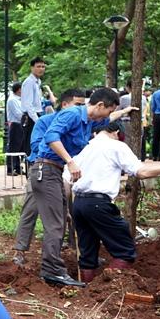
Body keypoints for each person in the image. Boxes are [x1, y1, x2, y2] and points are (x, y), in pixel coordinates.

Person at [67, 121, 160, 283]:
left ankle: (87, 289)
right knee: (125, 251)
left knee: (88, 254)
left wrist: (67, 210)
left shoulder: (84, 150)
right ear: (115, 131)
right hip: (98, 204)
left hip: (78, 204)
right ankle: (102, 286)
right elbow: (141, 172)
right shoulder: (116, 146)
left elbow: (66, 180)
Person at [30, 87, 122, 287]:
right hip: (45, 170)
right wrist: (70, 162)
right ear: (99, 105)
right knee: (55, 225)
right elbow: (51, 137)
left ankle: (52, 268)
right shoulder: (72, 114)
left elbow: (111, 116)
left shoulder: (90, 121)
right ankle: (52, 271)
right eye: (107, 111)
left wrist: (127, 109)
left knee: (61, 222)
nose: (106, 119)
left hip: (54, 172)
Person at [12, 89, 84, 266]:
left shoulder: (79, 123)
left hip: (65, 170)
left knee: (65, 209)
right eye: (78, 105)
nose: (81, 109)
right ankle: (20, 251)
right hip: (42, 169)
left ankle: (71, 248)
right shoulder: (45, 121)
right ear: (65, 104)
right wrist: (61, 154)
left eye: (83, 105)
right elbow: (37, 146)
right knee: (31, 208)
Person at [20, 58, 47, 156]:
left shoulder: (37, 82)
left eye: (43, 66)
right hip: (31, 117)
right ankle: (29, 169)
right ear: (32, 68)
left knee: (37, 143)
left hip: (36, 115)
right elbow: (28, 105)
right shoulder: (29, 82)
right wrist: (37, 120)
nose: (41, 69)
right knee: (30, 145)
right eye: (38, 66)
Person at [5, 82, 24, 175]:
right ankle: (10, 168)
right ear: (19, 89)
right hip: (15, 124)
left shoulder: (20, 99)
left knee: (20, 147)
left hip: (20, 125)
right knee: (13, 147)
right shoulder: (12, 100)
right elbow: (18, 114)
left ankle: (17, 167)